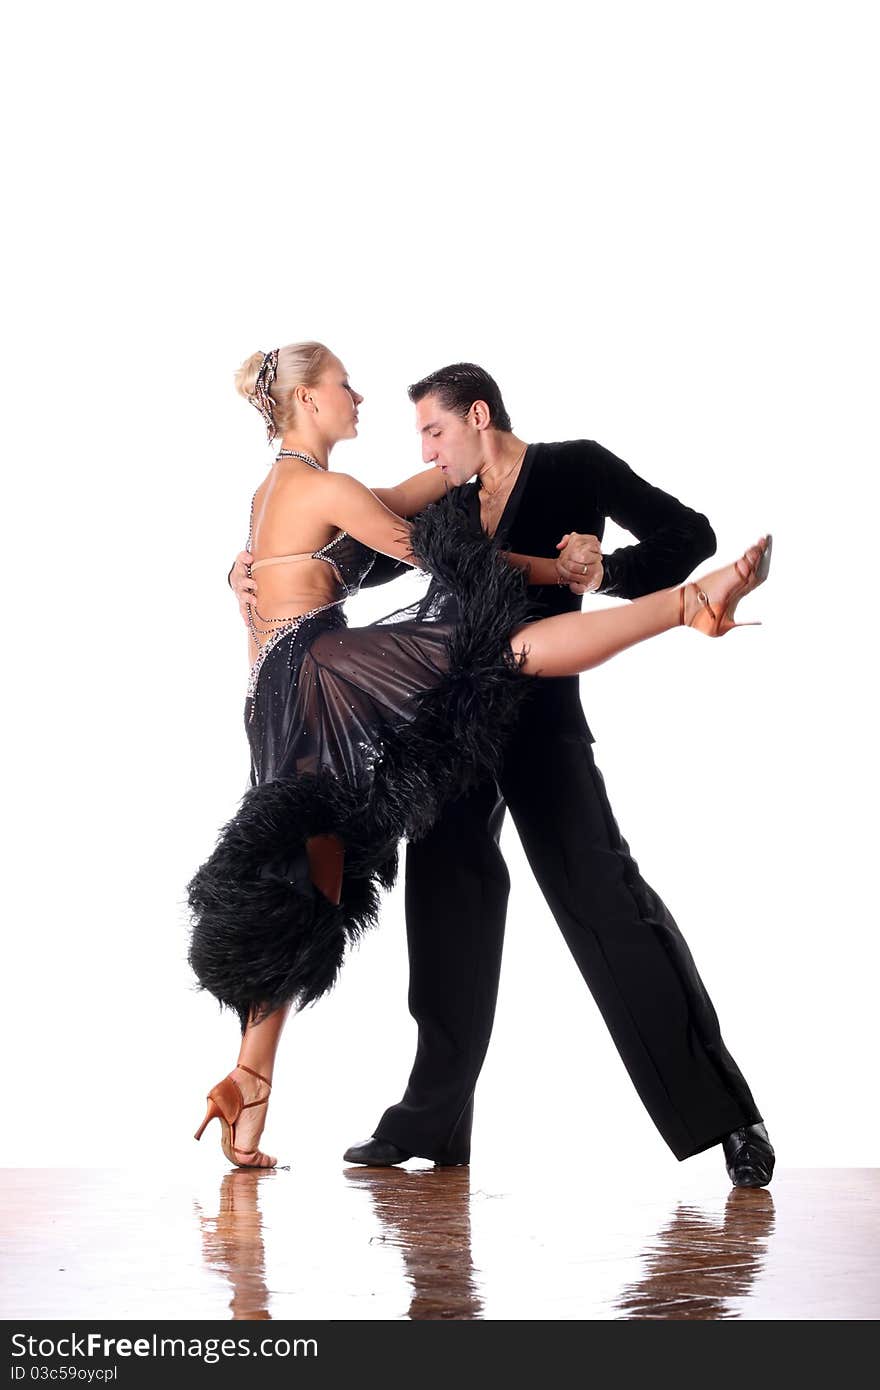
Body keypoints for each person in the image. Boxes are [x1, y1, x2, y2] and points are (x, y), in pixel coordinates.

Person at [201, 342, 771, 1173]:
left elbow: (689, 533)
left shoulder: (575, 467)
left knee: (604, 901)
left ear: (478, 416)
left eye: (433, 430)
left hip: (535, 712)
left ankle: (727, 1120)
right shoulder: (448, 504)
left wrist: (605, 568)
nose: (425, 450)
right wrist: (245, 569)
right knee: (445, 913)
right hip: (443, 713)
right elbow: (348, 545)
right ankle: (430, 1125)